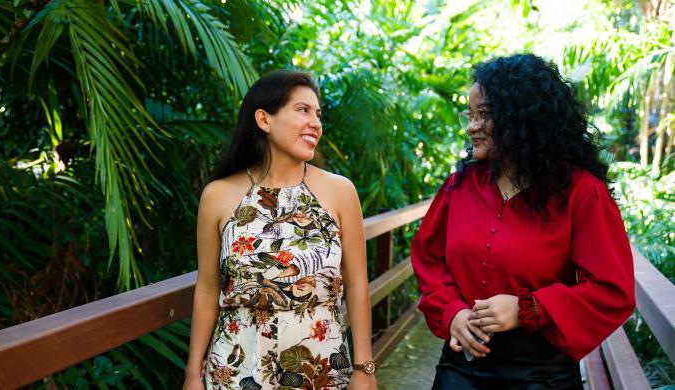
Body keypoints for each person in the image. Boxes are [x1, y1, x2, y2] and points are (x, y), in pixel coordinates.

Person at [411, 54, 635, 389]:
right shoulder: (460, 187)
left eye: (483, 115)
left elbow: (612, 290)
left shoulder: (582, 192)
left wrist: (528, 308)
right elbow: (428, 257)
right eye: (469, 115)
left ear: (522, 116)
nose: (471, 126)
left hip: (541, 374)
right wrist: (452, 312)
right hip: (462, 366)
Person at [183, 70, 377, 390]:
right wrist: (193, 374)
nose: (315, 122)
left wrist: (364, 368)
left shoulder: (340, 192)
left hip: (320, 369)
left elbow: (357, 285)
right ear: (264, 119)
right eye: (303, 110)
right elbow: (206, 288)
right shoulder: (218, 195)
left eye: (318, 114)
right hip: (236, 369)